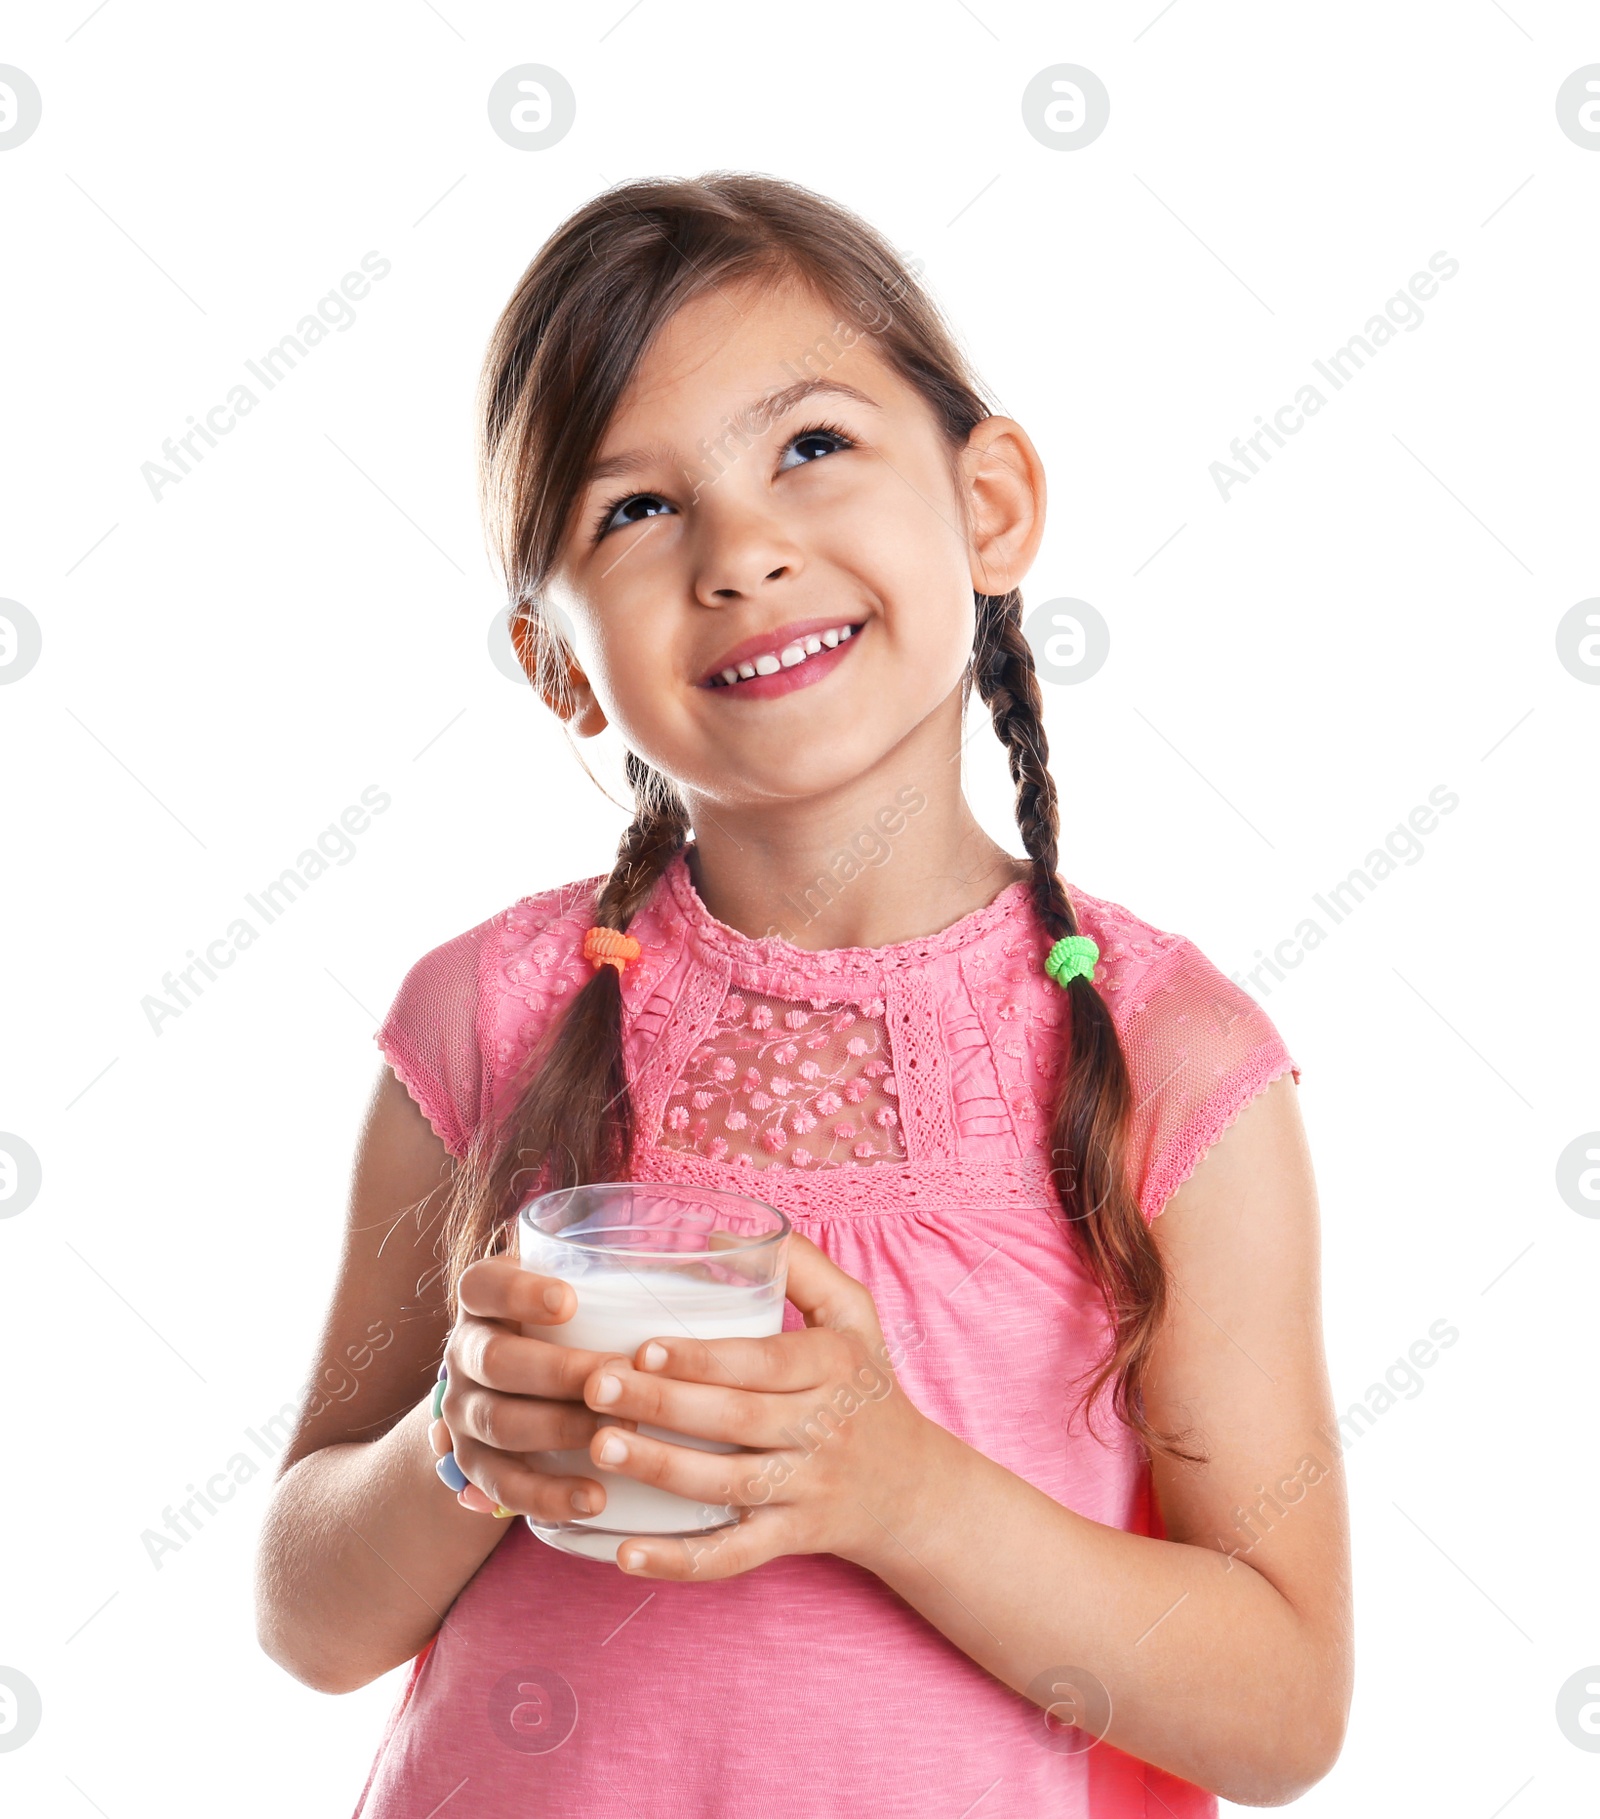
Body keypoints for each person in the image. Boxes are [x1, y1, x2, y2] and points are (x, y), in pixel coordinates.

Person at [255, 173, 1352, 1817]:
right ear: (557, 662)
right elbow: (310, 1617)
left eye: (812, 448)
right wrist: (464, 1446)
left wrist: (900, 1491)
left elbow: (1282, 1712)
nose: (744, 551)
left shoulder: (1169, 1059)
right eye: (636, 510)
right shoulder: (485, 1014)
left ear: (988, 502)